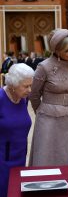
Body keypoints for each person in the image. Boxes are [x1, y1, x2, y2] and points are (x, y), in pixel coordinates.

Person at [29, 28, 68, 166]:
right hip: (47, 120)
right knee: (46, 158)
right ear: (57, 52)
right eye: (67, 50)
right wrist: (43, 113)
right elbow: (34, 94)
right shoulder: (44, 67)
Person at [0, 63, 34, 197]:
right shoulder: (1, 99)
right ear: (13, 85)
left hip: (20, 157)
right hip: (2, 160)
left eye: (31, 85)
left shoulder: (23, 99)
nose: (30, 90)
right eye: (26, 86)